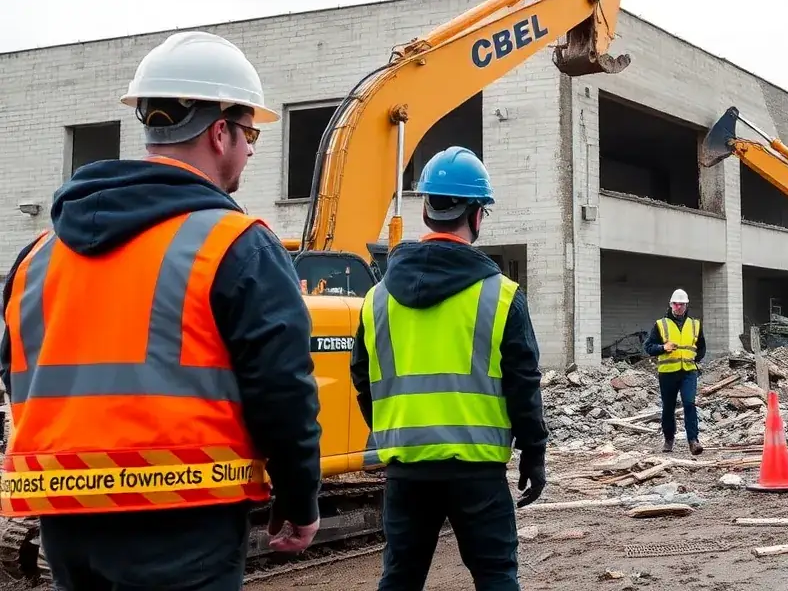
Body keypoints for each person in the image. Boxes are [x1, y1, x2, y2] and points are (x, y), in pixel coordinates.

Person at [0, 31, 322, 589]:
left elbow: (19, 376)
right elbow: (282, 389)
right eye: (250, 134)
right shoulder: (235, 243)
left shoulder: (39, 254)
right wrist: (300, 496)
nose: (249, 149)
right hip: (182, 519)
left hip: (64, 519)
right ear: (220, 132)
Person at [350, 146, 548, 591]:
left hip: (406, 468)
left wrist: (394, 432)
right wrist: (533, 453)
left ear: (427, 207)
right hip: (477, 471)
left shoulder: (376, 299)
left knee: (399, 579)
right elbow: (523, 384)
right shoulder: (501, 296)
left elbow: (363, 380)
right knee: (496, 578)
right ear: (476, 215)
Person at [643, 288, 707, 455]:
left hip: (688, 372)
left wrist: (695, 359)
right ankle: (669, 439)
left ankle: (693, 441)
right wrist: (663, 347)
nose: (679, 307)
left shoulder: (695, 325)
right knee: (668, 408)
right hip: (668, 372)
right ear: (671, 305)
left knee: (689, 404)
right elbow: (648, 347)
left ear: (686, 305)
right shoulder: (661, 325)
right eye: (676, 304)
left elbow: (701, 347)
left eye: (682, 304)